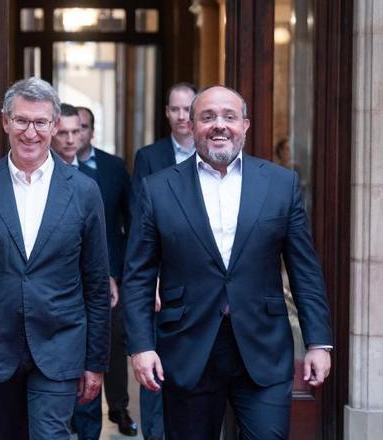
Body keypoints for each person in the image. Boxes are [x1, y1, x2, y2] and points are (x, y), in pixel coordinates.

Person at [122, 85, 333, 440]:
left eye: (229, 117)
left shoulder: (281, 184)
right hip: (188, 350)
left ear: (245, 125)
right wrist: (141, 347)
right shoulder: (157, 189)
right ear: (191, 125)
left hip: (263, 349)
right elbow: (138, 276)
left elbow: (305, 271)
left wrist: (318, 342)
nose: (219, 125)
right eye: (207, 117)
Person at [0, 77, 112, 440]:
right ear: (5, 121)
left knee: (51, 434)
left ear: (54, 126)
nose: (30, 132)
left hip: (60, 346)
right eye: (21, 121)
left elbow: (96, 283)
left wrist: (96, 362)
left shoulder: (83, 192)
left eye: (40, 122)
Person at [131, 82, 197, 440]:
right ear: (166, 113)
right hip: (161, 278)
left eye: (188, 109)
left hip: (201, 283)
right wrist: (150, 279)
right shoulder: (149, 157)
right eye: (175, 109)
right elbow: (140, 222)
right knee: (154, 361)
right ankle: (154, 433)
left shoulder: (216, 156)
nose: (182, 116)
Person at [72, 106, 137, 438]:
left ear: (91, 131)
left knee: (111, 339)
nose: (76, 135)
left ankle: (119, 407)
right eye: (70, 128)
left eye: (82, 128)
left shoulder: (113, 167)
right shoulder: (51, 167)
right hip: (68, 275)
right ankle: (74, 411)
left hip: (112, 270)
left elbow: (131, 218)